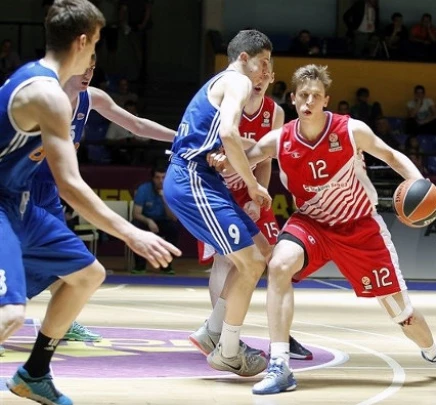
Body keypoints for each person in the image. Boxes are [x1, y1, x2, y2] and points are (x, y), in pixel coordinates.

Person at [209, 64, 436, 395]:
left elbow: (392, 156)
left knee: (402, 313)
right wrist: (222, 160)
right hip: (312, 224)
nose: (308, 101)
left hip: (360, 228)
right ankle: (280, 365)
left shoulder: (351, 131)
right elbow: (244, 158)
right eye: (303, 95)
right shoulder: (281, 139)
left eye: (315, 96)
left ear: (326, 100)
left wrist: (420, 182)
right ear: (293, 98)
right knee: (278, 265)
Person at [0, 1, 180, 404]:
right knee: (10, 314)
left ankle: (34, 373)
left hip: (19, 199)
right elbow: (70, 185)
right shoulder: (46, 94)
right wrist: (131, 233)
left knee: (88, 274)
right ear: (82, 42)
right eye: (96, 43)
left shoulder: (50, 86)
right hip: (3, 202)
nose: (95, 54)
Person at [30, 55, 177, 341]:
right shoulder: (39, 94)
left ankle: (63, 322)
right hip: (17, 186)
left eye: (93, 69)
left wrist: (183, 138)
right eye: (83, 68)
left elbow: (137, 126)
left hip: (49, 191)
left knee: (67, 262)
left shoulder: (91, 98)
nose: (88, 74)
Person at [163, 29, 273, 377]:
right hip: (192, 178)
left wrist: (231, 151)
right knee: (250, 263)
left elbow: (222, 135)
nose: (266, 71)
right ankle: (228, 349)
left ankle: (213, 331)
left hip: (203, 178)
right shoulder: (237, 80)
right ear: (244, 57)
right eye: (263, 62)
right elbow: (227, 132)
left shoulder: (222, 83)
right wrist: (252, 184)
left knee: (261, 249)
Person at [193, 62, 312, 361]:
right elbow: (209, 146)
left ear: (271, 79)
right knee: (226, 260)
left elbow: (266, 158)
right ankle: (218, 332)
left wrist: (258, 197)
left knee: (276, 258)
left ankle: (279, 336)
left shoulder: (275, 112)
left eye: (266, 75)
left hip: (252, 190)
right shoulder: (227, 100)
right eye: (255, 74)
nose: (260, 80)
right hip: (217, 190)